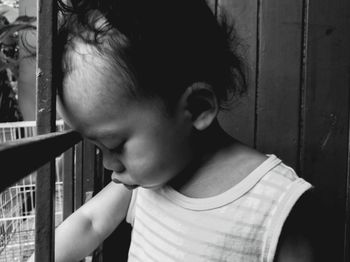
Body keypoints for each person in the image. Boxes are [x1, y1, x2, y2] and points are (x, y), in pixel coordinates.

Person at [32, 0, 319, 261]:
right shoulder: (144, 183)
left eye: (116, 145)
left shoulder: (274, 203)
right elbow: (89, 223)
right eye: (98, 148)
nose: (108, 164)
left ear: (196, 108)